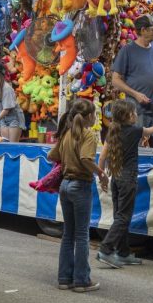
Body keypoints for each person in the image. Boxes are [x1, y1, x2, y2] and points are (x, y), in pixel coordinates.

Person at [95, 99, 153, 269]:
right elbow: (152, 130)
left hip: (116, 178)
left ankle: (123, 252)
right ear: (126, 116)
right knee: (123, 217)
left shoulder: (113, 130)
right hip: (128, 179)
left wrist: (101, 176)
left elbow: (103, 157)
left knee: (119, 216)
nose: (136, 114)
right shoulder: (134, 130)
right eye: (133, 112)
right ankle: (106, 249)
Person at [48, 99, 106, 292]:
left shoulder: (66, 133)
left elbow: (51, 156)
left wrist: (66, 157)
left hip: (65, 185)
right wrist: (101, 173)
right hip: (80, 185)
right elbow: (86, 158)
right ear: (90, 116)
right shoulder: (88, 134)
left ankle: (64, 278)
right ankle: (81, 280)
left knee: (68, 234)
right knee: (82, 235)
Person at [111, 14, 153, 148]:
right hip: (136, 110)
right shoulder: (127, 50)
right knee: (132, 147)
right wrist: (135, 94)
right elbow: (115, 80)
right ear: (143, 30)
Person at [0, 61, 26, 143]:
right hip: (3, 118)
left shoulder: (6, 88)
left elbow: (6, 110)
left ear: (0, 73)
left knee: (12, 147)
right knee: (4, 144)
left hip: (14, 118)